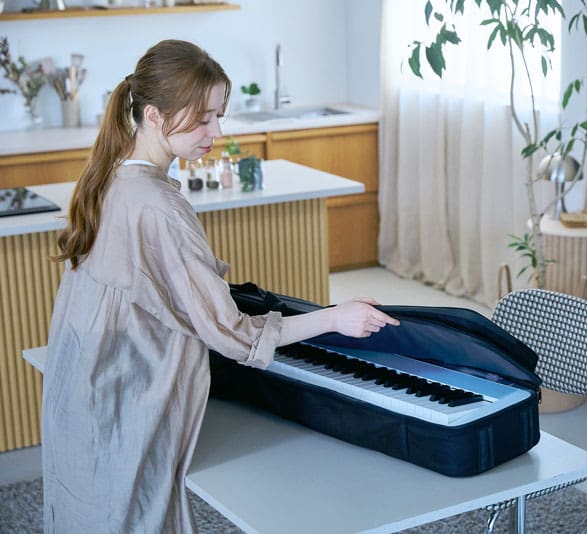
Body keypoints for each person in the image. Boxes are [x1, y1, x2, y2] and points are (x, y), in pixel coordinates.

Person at [42, 39, 398, 533]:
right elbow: (231, 333)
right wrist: (335, 316)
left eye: (219, 115)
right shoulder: (157, 207)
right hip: (124, 405)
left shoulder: (111, 179)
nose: (218, 131)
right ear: (153, 116)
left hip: (85, 395)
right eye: (204, 118)